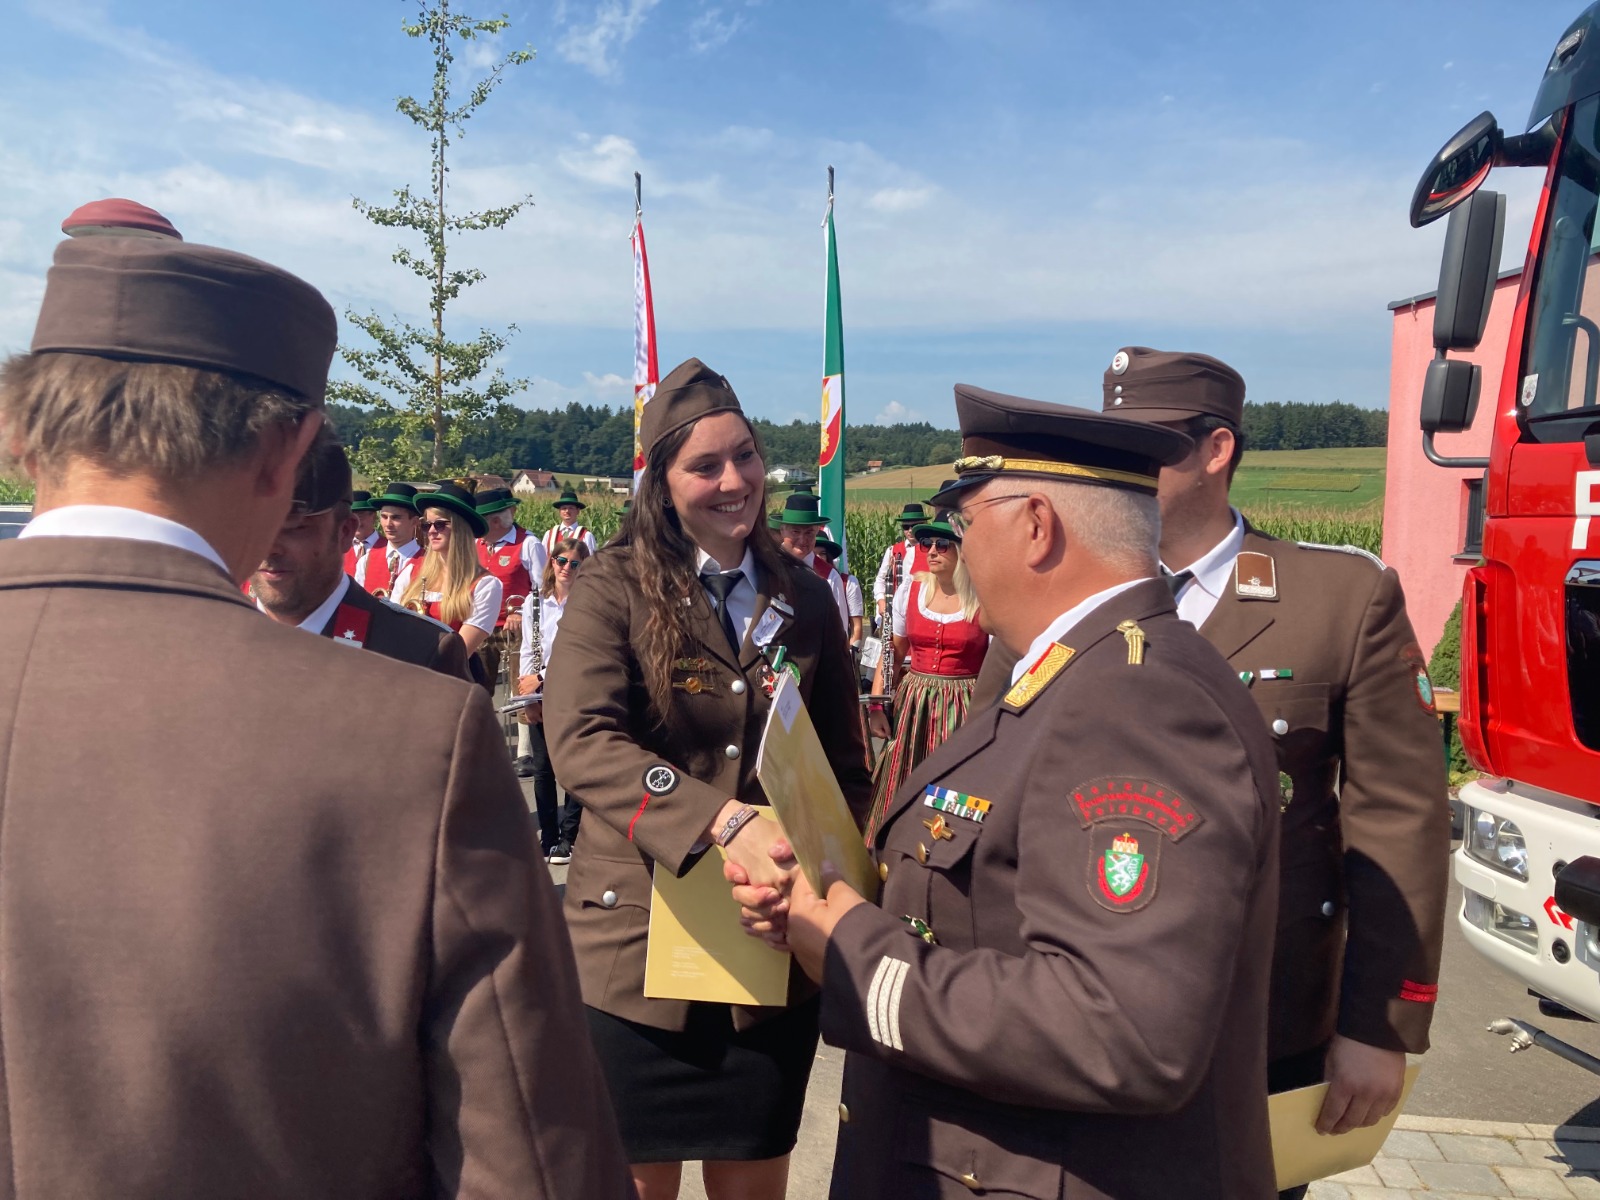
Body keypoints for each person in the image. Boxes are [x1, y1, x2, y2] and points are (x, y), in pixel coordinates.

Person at [0, 231, 630, 1196]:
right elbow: (531, 1165)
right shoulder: (415, 739)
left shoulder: (411, 687)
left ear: (20, 435)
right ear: (285, 453)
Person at [743, 384, 1282, 1199]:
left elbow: (1125, 1030)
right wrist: (835, 908)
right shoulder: (1075, 673)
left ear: (1036, 526)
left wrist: (857, 952)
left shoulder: (1135, 700)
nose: (956, 548)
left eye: (965, 522)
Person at [1098, 345, 1449, 1189]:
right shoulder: (1072, 590)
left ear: (1215, 450)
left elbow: (1397, 822)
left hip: (1265, 1017)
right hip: (1089, 1008)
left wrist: (1380, 1025)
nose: (1116, 469)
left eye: (1142, 446)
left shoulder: (1339, 598)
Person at [543, 357, 871, 1200]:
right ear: (662, 483)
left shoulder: (806, 598)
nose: (735, 481)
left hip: (766, 952)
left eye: (746, 456)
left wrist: (817, 873)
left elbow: (844, 768)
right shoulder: (611, 588)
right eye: (706, 466)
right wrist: (722, 822)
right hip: (632, 958)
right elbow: (580, 739)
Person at [253, 433, 471, 681]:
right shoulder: (220, 634)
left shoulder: (423, 650)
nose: (268, 547)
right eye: (253, 526)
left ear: (345, 532)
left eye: (295, 527)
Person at [862, 516, 988, 838]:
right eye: (926, 544)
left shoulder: (985, 597)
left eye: (942, 544)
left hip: (964, 705)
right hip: (914, 703)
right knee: (903, 775)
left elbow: (1001, 663)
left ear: (963, 551)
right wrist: (877, 704)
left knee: (956, 781)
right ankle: (894, 844)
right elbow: (893, 651)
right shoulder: (911, 590)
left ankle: (949, 846)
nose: (932, 551)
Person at [516, 536, 590, 863]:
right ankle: (548, 837)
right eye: (562, 561)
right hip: (540, 694)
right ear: (552, 562)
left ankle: (569, 837)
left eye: (575, 564)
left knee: (573, 767)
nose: (566, 568)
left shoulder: (587, 603)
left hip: (574, 692)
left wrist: (543, 677)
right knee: (543, 769)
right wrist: (528, 696)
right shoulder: (534, 602)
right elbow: (527, 650)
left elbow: (579, 653)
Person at [399, 481, 504, 666]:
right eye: (426, 525)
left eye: (440, 524)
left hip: (449, 677)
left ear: (460, 528)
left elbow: (458, 653)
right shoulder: (411, 571)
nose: (431, 531)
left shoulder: (485, 585)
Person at [774, 491, 850, 633]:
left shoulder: (830, 576)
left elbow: (839, 631)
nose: (802, 540)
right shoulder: (765, 565)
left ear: (816, 532)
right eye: (795, 532)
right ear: (782, 531)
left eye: (809, 533)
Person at [362, 481, 424, 598]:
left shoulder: (430, 563)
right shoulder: (365, 561)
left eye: (396, 518)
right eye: (384, 517)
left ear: (415, 521)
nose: (388, 524)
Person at [871, 502, 927, 630]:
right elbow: (880, 579)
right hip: (895, 610)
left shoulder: (931, 550)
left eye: (914, 526)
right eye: (906, 527)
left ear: (923, 525)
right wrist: (881, 600)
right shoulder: (893, 550)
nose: (910, 530)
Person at [816, 537, 863, 650]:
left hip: (839, 648)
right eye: (813, 554)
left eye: (822, 554)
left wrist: (849, 652)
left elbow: (856, 626)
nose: (817, 558)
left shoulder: (848, 582)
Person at [542, 487, 599, 555]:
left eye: (571, 508)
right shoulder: (549, 534)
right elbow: (542, 557)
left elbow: (592, 559)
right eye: (564, 508)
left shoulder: (586, 536)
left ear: (578, 511)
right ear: (559, 511)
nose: (567, 511)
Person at [343, 490, 379, 576]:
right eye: (351, 516)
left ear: (373, 516)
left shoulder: (389, 548)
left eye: (360, 515)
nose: (355, 521)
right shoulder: (340, 548)